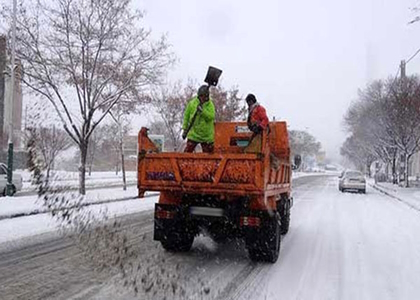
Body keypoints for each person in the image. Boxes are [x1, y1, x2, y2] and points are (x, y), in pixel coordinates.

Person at [182, 85, 215, 153]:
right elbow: (186, 116)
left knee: (209, 156)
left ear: (207, 96)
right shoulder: (192, 104)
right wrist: (185, 128)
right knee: (187, 153)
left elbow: (211, 117)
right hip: (194, 134)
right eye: (201, 96)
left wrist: (202, 112)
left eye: (204, 96)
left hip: (206, 136)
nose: (202, 98)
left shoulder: (210, 105)